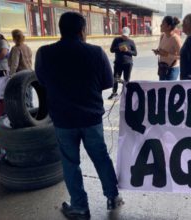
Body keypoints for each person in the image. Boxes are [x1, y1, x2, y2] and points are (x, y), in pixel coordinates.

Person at [35, 12, 123, 220]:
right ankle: (113, 197)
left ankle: (80, 207)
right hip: (90, 118)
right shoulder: (96, 52)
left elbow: (42, 80)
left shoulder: (45, 53)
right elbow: (108, 83)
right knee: (101, 157)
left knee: (70, 163)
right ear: (82, 30)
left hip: (63, 119)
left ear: (60, 29)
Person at [108, 27, 137, 99]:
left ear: (128, 35)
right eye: (123, 35)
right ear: (121, 34)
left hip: (128, 64)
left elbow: (135, 53)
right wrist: (119, 49)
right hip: (118, 63)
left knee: (126, 79)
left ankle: (125, 93)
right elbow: (111, 50)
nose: (124, 37)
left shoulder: (131, 42)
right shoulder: (116, 40)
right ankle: (114, 92)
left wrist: (127, 50)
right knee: (115, 78)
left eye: (126, 36)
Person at [153, 16, 182, 81]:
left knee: (169, 90)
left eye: (163, 24)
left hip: (172, 70)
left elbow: (182, 57)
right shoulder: (162, 36)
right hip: (162, 68)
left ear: (169, 27)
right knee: (162, 90)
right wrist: (157, 52)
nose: (160, 25)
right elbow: (161, 50)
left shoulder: (176, 39)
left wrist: (167, 55)